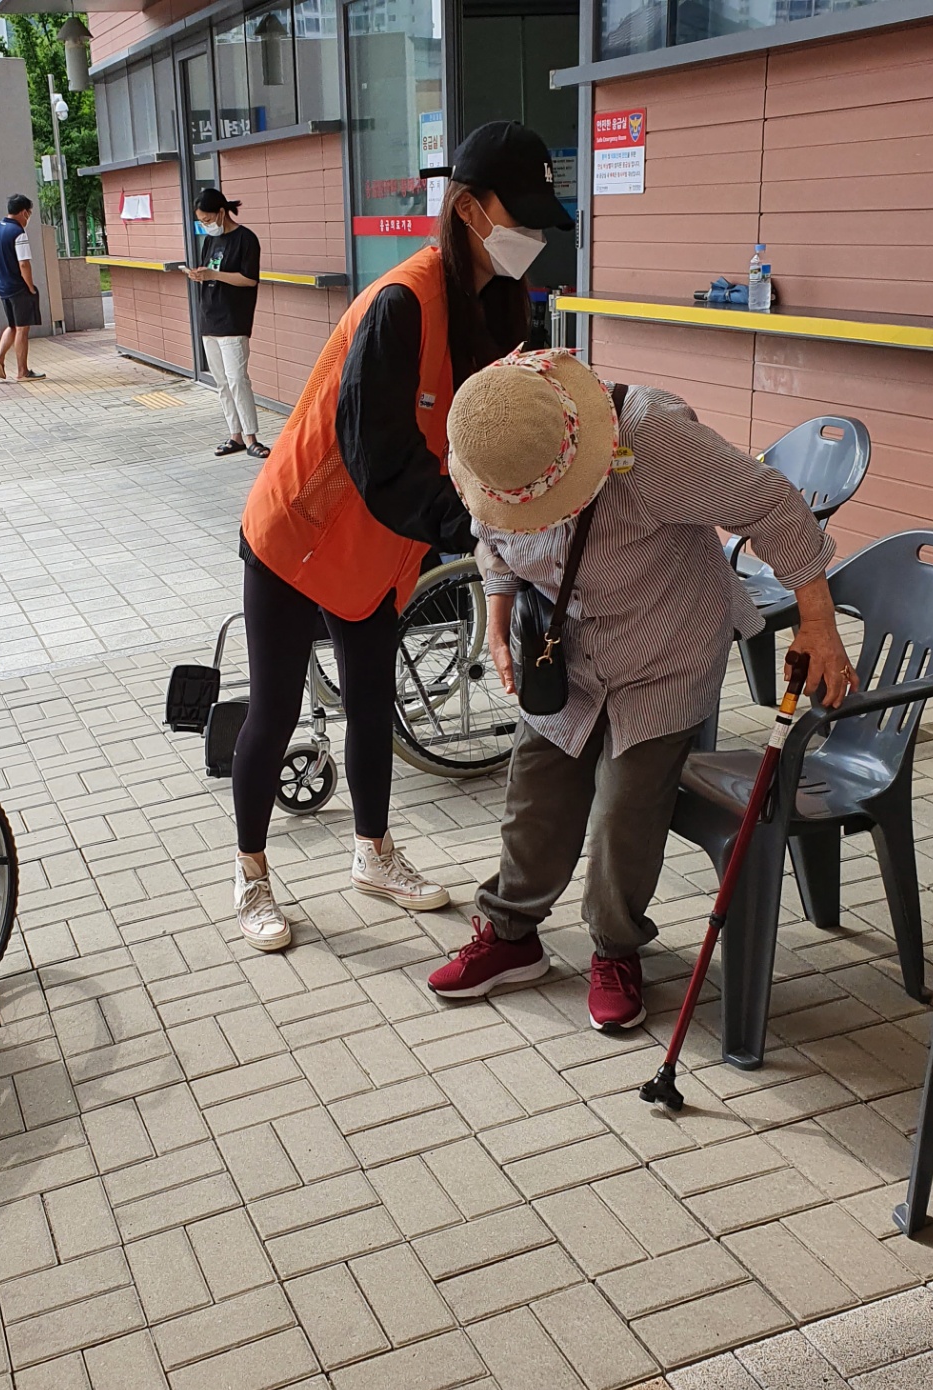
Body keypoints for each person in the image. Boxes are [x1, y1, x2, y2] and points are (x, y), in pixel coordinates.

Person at [426, 347, 857, 1031]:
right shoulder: (490, 446)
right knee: (535, 791)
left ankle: (616, 949)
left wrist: (819, 623)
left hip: (665, 645)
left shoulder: (652, 437)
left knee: (624, 810)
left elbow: (772, 504)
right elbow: (492, 538)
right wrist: (500, 618)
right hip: (566, 651)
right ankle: (511, 936)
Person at [229, 122, 573, 952]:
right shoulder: (401, 303)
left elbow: (499, 428)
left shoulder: (501, 304)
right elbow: (376, 455)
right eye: (520, 215)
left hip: (382, 544)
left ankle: (373, 854)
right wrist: (479, 530)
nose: (532, 234)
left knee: (371, 700)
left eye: (542, 219)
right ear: (467, 209)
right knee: (275, 708)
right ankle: (250, 874)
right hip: (299, 533)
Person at [186, 190, 269, 460]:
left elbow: (249, 279)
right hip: (209, 317)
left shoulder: (246, 239)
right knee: (222, 382)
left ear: (221, 212)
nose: (206, 225)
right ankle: (235, 435)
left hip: (234, 320)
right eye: (202, 221)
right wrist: (201, 275)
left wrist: (215, 274)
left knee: (237, 380)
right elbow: (210, 271)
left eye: (208, 219)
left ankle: (251, 437)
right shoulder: (211, 240)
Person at [0, 195, 44, 382]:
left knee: (12, 326)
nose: (28, 218)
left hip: (3, 287)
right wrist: (30, 287)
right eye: (29, 213)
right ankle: (23, 372)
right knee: (22, 329)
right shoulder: (18, 232)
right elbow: (24, 264)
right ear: (23, 212)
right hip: (18, 287)